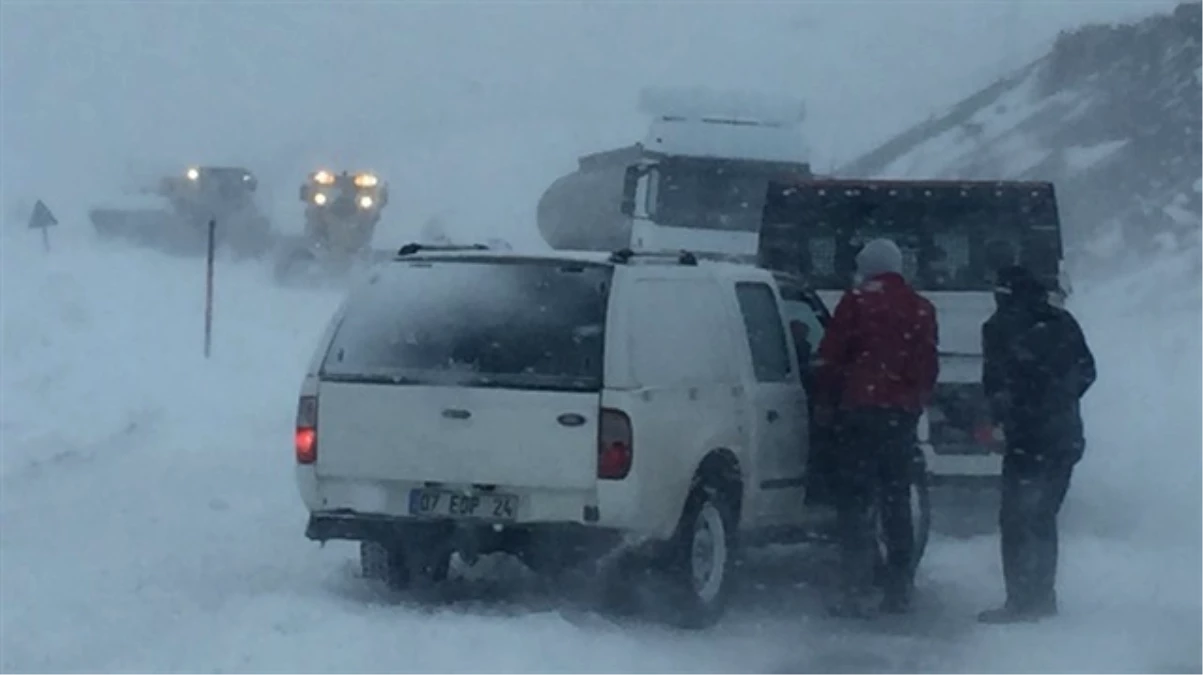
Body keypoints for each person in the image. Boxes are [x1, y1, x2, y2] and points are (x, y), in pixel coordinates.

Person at [814, 238, 939, 617]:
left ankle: (856, 584)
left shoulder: (856, 303)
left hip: (859, 413)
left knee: (855, 501)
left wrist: (826, 401)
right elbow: (928, 366)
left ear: (866, 266)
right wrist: (912, 401)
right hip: (899, 418)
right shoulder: (921, 309)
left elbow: (831, 357)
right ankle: (898, 587)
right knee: (896, 500)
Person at [978, 265, 1096, 624]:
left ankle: (1018, 600)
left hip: (1027, 438)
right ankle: (1043, 596)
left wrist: (1005, 417)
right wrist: (1061, 400)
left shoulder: (999, 326)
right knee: (1043, 516)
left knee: (1015, 519)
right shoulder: (1063, 322)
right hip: (1065, 436)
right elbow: (1088, 371)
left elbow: (996, 383)